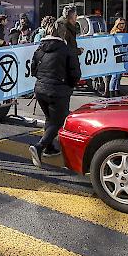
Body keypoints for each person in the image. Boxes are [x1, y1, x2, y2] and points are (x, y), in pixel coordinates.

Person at [28, 19, 81, 167]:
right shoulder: (67, 50)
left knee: (49, 119)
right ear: (63, 34)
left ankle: (49, 148)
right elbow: (75, 73)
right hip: (58, 91)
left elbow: (33, 70)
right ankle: (39, 146)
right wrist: (69, 85)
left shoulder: (40, 49)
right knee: (59, 120)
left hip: (40, 90)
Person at [108, 17, 126, 97]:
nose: (122, 25)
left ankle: (116, 90)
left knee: (119, 76)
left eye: (123, 24)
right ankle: (111, 92)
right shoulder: (114, 33)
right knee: (115, 76)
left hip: (121, 55)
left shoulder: (124, 33)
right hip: (115, 57)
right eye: (120, 24)